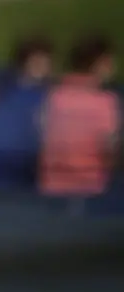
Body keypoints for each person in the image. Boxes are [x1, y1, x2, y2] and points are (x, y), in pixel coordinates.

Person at [38, 34, 120, 214]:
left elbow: (41, 136)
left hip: (52, 184)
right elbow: (110, 149)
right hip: (90, 186)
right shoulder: (104, 102)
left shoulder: (54, 96)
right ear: (99, 64)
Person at [0, 34, 54, 196]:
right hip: (14, 172)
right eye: (39, 62)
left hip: (9, 172)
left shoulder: (3, 91)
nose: (45, 67)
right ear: (25, 63)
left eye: (46, 63)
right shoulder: (32, 96)